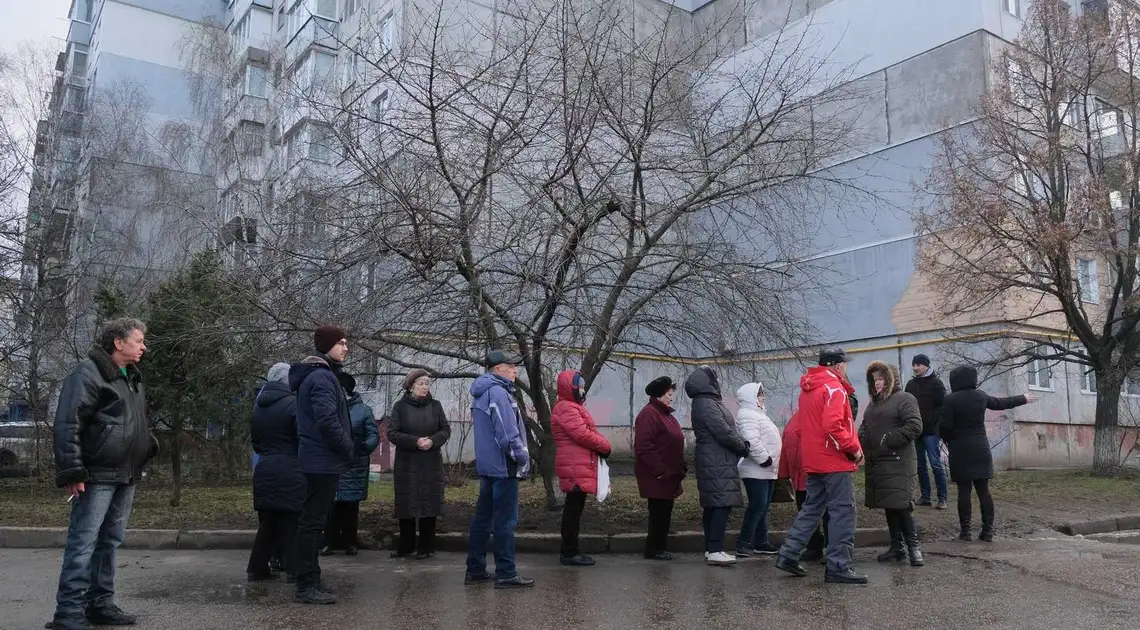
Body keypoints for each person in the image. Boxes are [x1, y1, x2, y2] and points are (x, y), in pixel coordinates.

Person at [49, 318, 159, 630]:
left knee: (110, 541)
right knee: (83, 541)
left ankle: (100, 603)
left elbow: (133, 420)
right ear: (118, 342)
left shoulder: (131, 376)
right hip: (96, 474)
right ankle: (68, 613)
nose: (143, 347)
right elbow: (68, 423)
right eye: (138, 341)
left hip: (126, 473)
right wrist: (72, 469)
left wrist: (148, 445)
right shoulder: (88, 373)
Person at [775, 347, 868, 584]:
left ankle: (789, 553)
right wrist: (854, 450)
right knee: (843, 511)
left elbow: (804, 426)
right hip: (834, 461)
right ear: (838, 366)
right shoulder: (834, 388)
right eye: (844, 364)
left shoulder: (808, 388)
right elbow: (834, 426)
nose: (846, 368)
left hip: (813, 460)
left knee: (812, 508)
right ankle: (839, 565)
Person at [289, 325, 354, 605]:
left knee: (313, 523)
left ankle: (310, 578)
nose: (345, 347)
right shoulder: (321, 378)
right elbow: (327, 421)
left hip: (320, 460)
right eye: (340, 343)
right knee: (312, 524)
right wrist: (348, 447)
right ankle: (306, 584)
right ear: (326, 346)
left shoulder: (323, 375)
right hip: (321, 461)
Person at [939, 366, 1036, 542]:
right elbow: (1001, 403)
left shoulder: (949, 400)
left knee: (964, 490)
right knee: (983, 490)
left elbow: (944, 427)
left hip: (960, 449)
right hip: (980, 448)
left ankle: (966, 531)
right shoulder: (981, 396)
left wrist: (949, 440)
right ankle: (988, 530)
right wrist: (1023, 398)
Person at [465, 350, 535, 589]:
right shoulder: (498, 392)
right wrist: (523, 458)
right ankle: (506, 573)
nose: (515, 370)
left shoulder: (482, 391)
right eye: (511, 366)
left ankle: (475, 570)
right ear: (497, 369)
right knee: (505, 522)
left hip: (488, 467)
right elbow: (507, 435)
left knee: (483, 520)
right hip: (504, 467)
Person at [859, 361, 925, 567]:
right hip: (879, 462)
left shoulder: (904, 398)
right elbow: (865, 425)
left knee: (902, 506)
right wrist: (860, 439)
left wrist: (888, 440)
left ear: (890, 379)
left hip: (898, 462)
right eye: (874, 380)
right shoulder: (874, 404)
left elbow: (914, 426)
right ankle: (897, 546)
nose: (877, 383)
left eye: (880, 379)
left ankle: (914, 548)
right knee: (890, 505)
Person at [686, 366, 750, 567]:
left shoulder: (706, 402)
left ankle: (711, 548)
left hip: (715, 458)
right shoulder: (706, 403)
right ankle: (715, 549)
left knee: (715, 504)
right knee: (721, 503)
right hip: (716, 459)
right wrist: (742, 446)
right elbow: (722, 430)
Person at [247, 363, 305, 582]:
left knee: (268, 522)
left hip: (265, 468)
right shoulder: (294, 403)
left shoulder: (258, 406)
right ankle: (294, 569)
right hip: (291, 468)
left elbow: (257, 443)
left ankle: (257, 568)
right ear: (286, 380)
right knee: (293, 521)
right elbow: (302, 437)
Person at [551, 370, 613, 566]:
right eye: (581, 386)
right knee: (573, 510)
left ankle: (571, 550)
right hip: (574, 466)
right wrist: (605, 445)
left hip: (576, 464)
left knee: (574, 508)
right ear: (572, 388)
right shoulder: (567, 408)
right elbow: (582, 434)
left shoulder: (569, 406)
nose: (583, 390)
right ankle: (569, 552)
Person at [388, 368, 451, 559]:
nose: (425, 387)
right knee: (407, 503)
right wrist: (415, 441)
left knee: (429, 503)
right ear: (411, 386)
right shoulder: (400, 407)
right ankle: (405, 546)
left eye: (427, 383)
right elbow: (392, 433)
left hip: (430, 461)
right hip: (407, 462)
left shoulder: (436, 406)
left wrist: (432, 441)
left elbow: (445, 430)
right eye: (421, 383)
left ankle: (426, 546)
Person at [322, 372, 380, 556]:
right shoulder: (328, 408)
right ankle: (328, 542)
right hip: (332, 462)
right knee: (330, 505)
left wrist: (362, 449)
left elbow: (373, 434)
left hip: (354, 463)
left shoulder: (363, 410)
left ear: (344, 390)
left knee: (350, 506)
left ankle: (350, 542)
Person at [634, 377, 687, 561]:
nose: (671, 398)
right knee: (658, 511)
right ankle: (654, 549)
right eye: (669, 394)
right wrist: (660, 470)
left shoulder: (664, 414)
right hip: (658, 475)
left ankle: (659, 547)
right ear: (659, 395)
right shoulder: (649, 414)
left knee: (664, 510)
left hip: (669, 474)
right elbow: (644, 445)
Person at [734, 382, 782, 557]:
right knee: (757, 506)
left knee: (763, 507)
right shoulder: (747, 414)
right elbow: (750, 440)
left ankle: (761, 542)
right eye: (760, 394)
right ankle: (743, 543)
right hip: (756, 469)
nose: (763, 397)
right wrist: (765, 459)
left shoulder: (758, 414)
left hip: (766, 470)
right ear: (751, 397)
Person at [778, 411, 828, 563]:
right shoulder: (796, 419)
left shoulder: (814, 417)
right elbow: (786, 444)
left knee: (826, 514)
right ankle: (815, 546)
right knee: (806, 512)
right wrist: (784, 472)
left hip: (815, 474)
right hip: (801, 477)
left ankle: (831, 548)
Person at [904, 354, 949, 509]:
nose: (916, 368)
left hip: (931, 430)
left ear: (927, 366)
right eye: (914, 365)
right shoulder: (910, 384)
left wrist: (933, 420)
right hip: (916, 431)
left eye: (919, 365)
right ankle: (925, 497)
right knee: (920, 465)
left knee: (935, 464)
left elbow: (943, 405)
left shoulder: (936, 383)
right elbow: (906, 405)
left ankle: (942, 498)